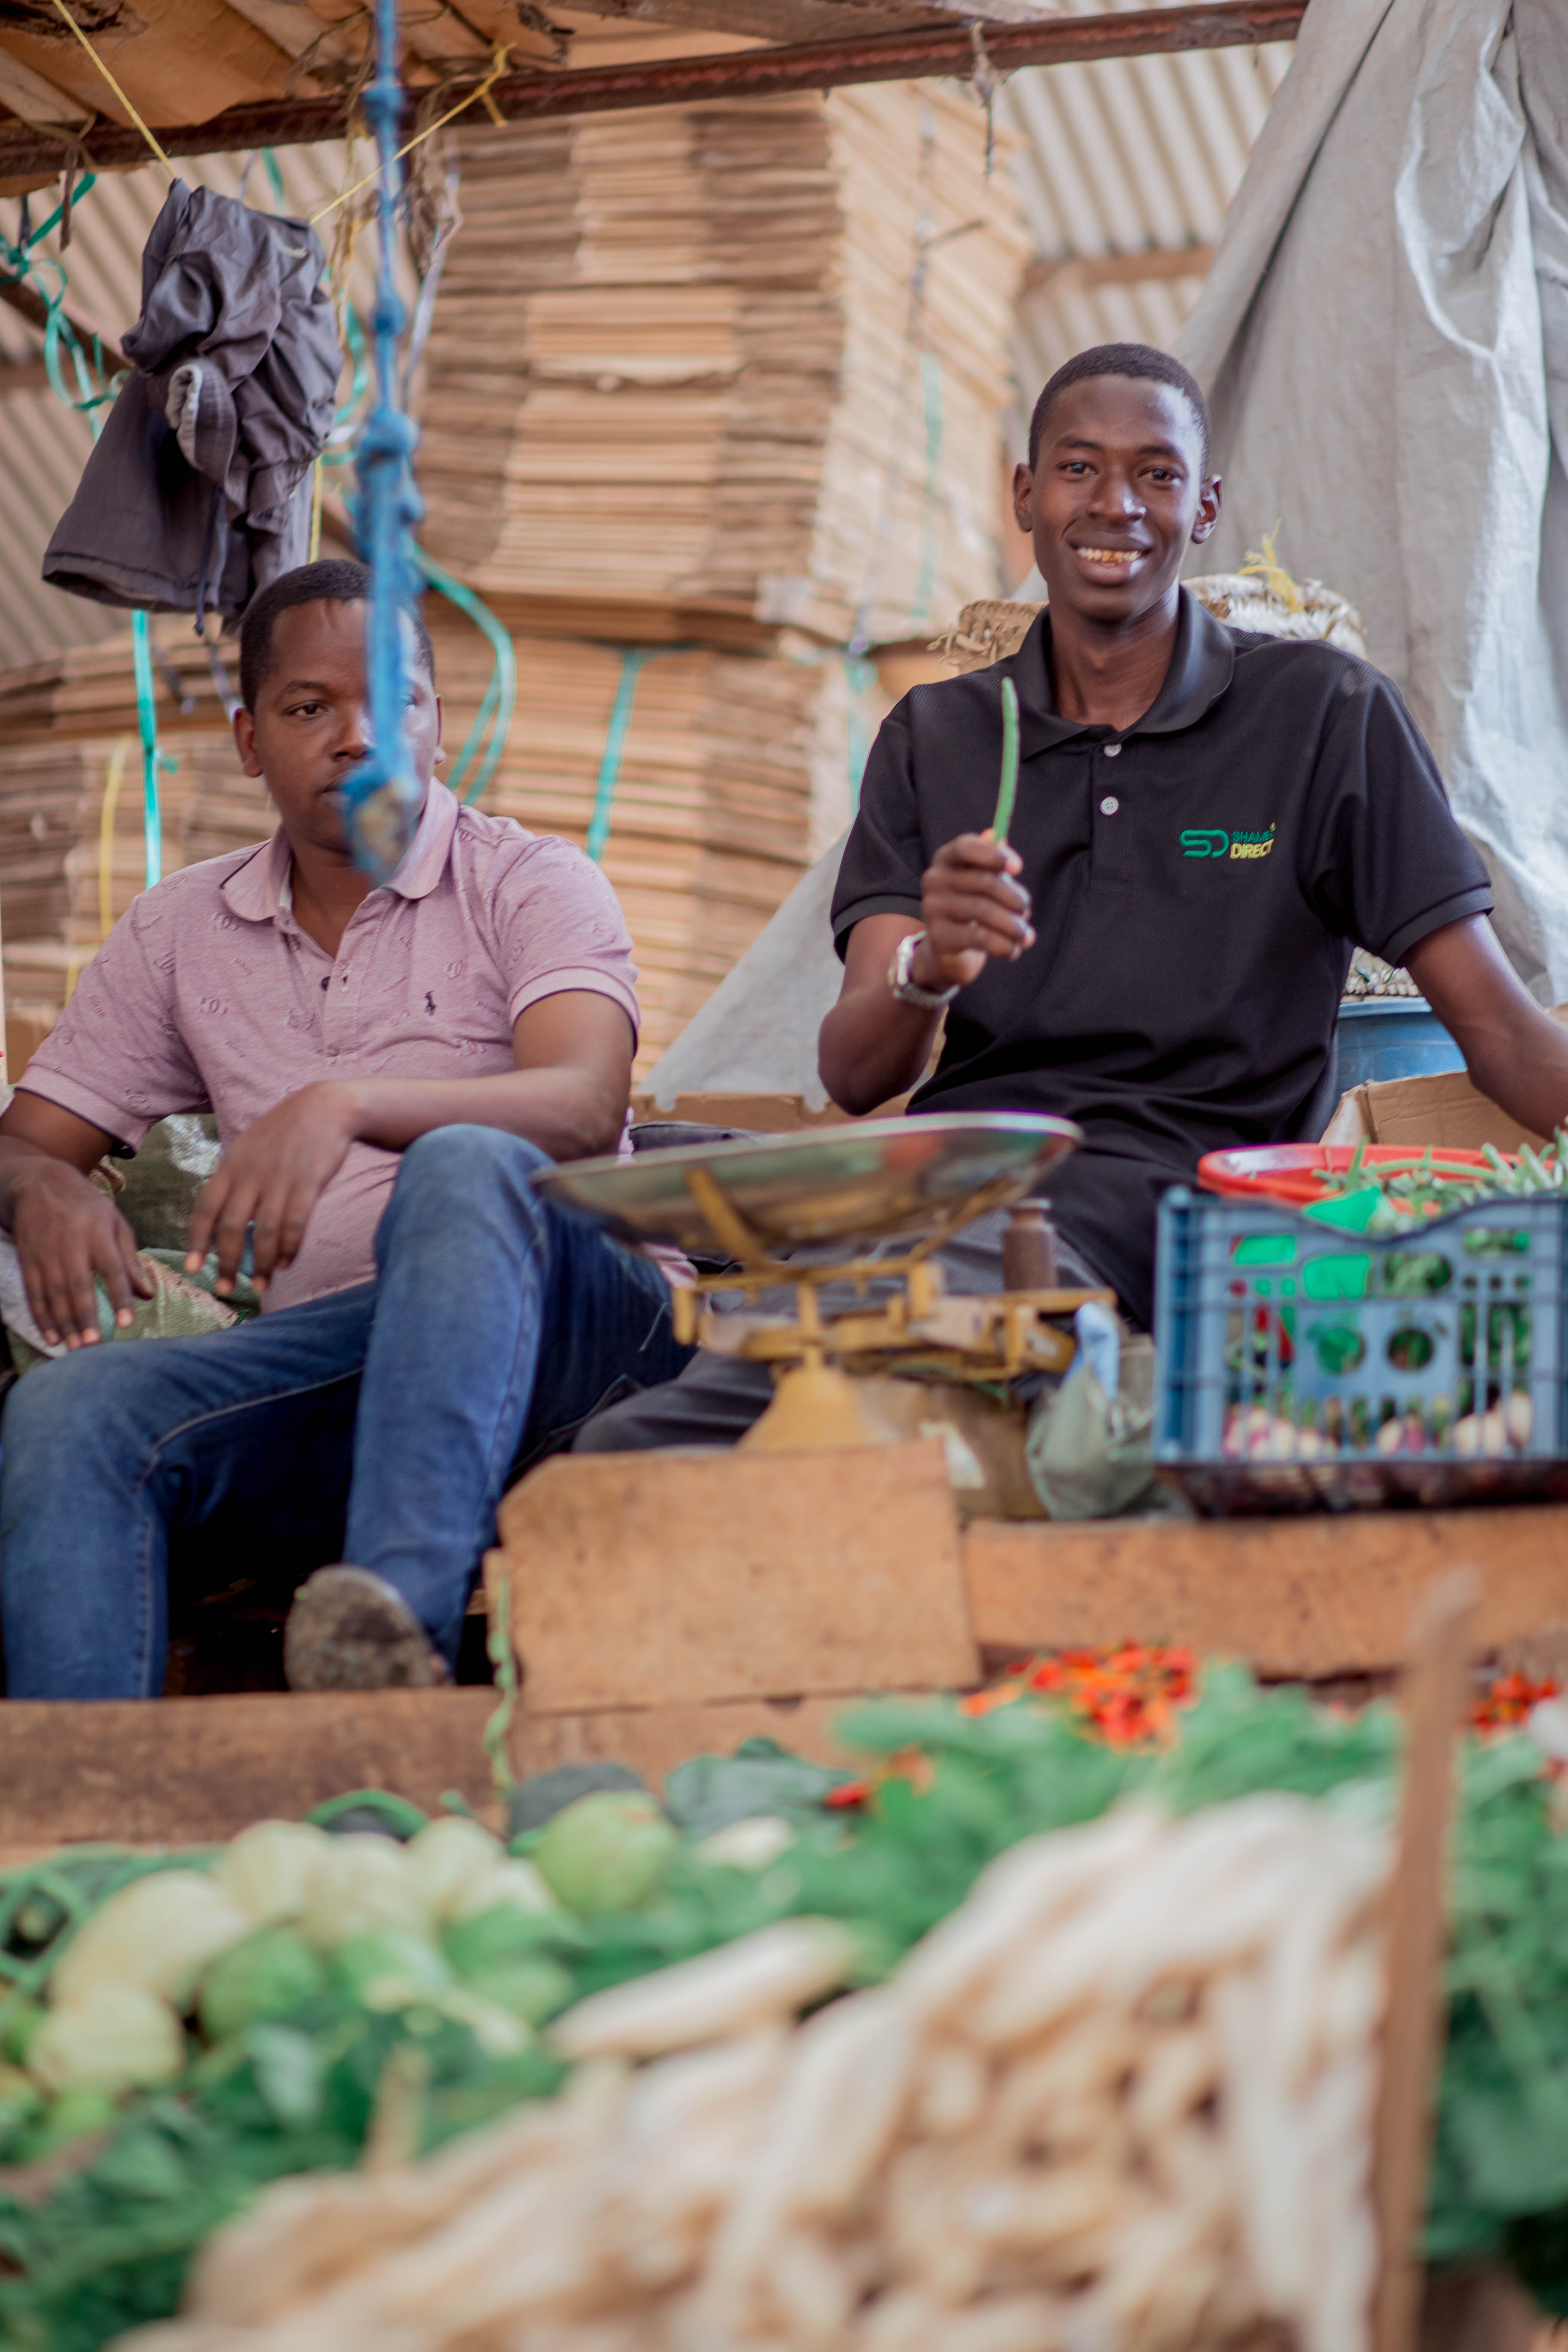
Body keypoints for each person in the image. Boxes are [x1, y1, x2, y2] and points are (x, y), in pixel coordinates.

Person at [576, 340, 1568, 1450]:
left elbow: (1501, 1033)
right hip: (943, 1181)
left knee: (669, 1432)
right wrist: (925, 971)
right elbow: (855, 1076)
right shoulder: (938, 735)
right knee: (593, 1189)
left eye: (1156, 474)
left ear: (1204, 507)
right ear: (1024, 495)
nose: (1116, 506)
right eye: (1079, 468)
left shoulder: (1324, 715)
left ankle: (643, 1453)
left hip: (1158, 1209)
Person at [0, 559, 692, 1699]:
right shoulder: (181, 931)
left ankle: (386, 1643)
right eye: (309, 707)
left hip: (586, 1340)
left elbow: (581, 1106)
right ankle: (78, 1794)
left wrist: (346, 1102)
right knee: (74, 1410)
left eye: (392, 700)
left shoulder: (530, 882)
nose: (356, 737)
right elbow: (26, 1140)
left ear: (436, 725)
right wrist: (42, 1188)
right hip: (349, 1365)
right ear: (249, 740)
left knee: (467, 1165)